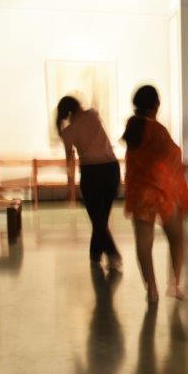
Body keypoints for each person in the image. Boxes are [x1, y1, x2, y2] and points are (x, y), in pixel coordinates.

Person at [122, 85, 188, 303]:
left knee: (144, 242)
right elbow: (173, 156)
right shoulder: (157, 130)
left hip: (140, 194)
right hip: (162, 192)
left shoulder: (132, 128)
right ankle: (175, 284)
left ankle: (151, 288)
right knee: (177, 238)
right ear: (156, 105)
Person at [57, 96, 122, 271]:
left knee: (98, 219)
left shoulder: (68, 132)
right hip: (111, 169)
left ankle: (113, 254)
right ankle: (95, 253)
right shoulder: (93, 115)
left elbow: (70, 161)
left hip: (91, 173)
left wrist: (70, 187)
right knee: (101, 217)